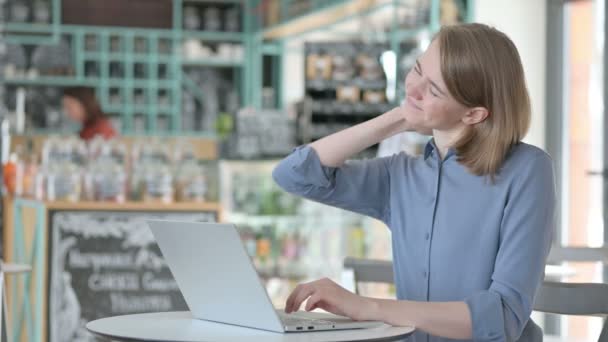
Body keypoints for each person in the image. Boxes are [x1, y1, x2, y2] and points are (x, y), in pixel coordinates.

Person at [272, 23, 555, 342]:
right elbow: (293, 174)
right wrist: (396, 119)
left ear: (473, 114)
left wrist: (366, 306)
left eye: (433, 90)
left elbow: (501, 318)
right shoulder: (400, 174)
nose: (414, 89)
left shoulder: (529, 169)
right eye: (417, 69)